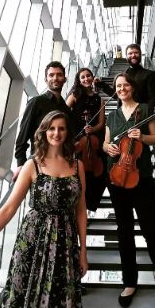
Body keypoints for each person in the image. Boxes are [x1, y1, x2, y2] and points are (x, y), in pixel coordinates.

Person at [0, 110, 88, 308]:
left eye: (61, 128)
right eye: (51, 128)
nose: (56, 133)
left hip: (65, 243)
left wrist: (83, 250)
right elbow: (8, 209)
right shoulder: (32, 165)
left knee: (60, 299)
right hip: (33, 239)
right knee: (24, 296)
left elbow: (81, 210)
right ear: (44, 131)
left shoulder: (78, 166)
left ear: (67, 132)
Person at [103, 73, 155, 308]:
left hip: (141, 178)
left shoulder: (145, 110)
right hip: (116, 179)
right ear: (115, 90)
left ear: (132, 88)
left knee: (151, 233)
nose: (122, 88)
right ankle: (129, 283)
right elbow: (105, 144)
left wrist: (142, 137)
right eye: (118, 86)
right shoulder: (111, 115)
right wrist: (110, 148)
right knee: (124, 232)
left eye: (125, 85)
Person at [13, 61, 72, 181]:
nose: (55, 78)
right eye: (51, 75)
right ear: (46, 79)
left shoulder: (66, 109)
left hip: (62, 164)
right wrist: (20, 164)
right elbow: (23, 134)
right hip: (39, 164)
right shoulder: (36, 102)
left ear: (64, 79)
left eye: (59, 75)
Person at [66, 68, 106, 212]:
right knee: (77, 174)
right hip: (77, 139)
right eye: (82, 77)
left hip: (95, 138)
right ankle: (76, 206)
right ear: (79, 80)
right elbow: (63, 112)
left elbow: (101, 123)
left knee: (101, 175)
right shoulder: (75, 95)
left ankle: (90, 204)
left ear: (92, 77)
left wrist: (92, 129)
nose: (86, 79)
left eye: (88, 76)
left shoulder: (99, 99)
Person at [95, 43, 155, 114]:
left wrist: (145, 113)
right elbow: (117, 95)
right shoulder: (123, 76)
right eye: (130, 53)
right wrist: (101, 85)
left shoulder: (149, 74)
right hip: (124, 114)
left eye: (136, 53)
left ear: (140, 54)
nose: (133, 55)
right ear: (126, 56)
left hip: (142, 115)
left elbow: (153, 98)